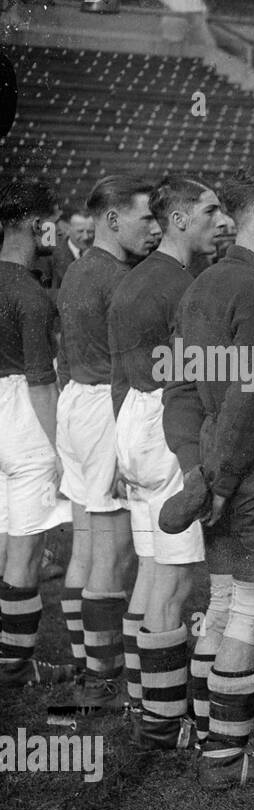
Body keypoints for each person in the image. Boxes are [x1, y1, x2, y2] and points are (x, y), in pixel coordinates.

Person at [160, 165, 254, 789]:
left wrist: (199, 469)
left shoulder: (197, 287)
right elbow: (250, 395)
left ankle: (202, 733)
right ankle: (229, 756)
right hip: (249, 467)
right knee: (248, 609)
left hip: (215, 457)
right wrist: (220, 481)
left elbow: (184, 389)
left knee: (218, 600)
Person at [109, 176, 232, 749]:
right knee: (177, 578)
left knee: (156, 570)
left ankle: (143, 698)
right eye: (210, 210)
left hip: (134, 416)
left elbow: (119, 373)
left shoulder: (136, 280)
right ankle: (163, 721)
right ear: (179, 219)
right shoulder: (181, 285)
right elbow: (194, 377)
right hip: (163, 420)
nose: (220, 220)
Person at [56, 176, 159, 714]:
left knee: (88, 547)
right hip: (104, 407)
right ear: (113, 220)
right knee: (113, 554)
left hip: (77, 401)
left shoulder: (78, 268)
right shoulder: (120, 279)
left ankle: (83, 662)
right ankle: (101, 679)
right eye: (146, 218)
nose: (156, 227)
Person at [0, 179, 75, 689]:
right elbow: (42, 384)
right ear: (35, 224)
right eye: (54, 220)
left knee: (5, 542)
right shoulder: (29, 292)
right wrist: (63, 451)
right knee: (25, 552)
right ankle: (13, 666)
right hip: (24, 418)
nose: (61, 228)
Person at [50, 209, 94, 292]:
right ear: (68, 230)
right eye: (80, 231)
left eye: (90, 231)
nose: (86, 237)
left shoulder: (100, 253)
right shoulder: (53, 256)